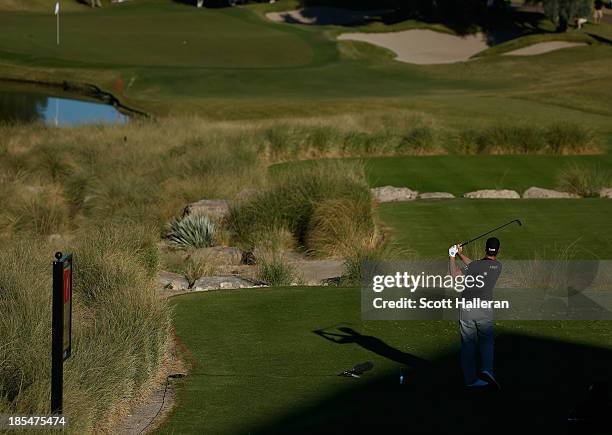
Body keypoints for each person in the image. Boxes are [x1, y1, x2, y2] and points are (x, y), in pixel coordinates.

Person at [449, 237, 503, 389]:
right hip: (484, 309)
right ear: (498, 251)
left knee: (468, 344)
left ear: (486, 249)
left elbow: (456, 275)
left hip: (467, 308)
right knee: (486, 341)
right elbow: (477, 266)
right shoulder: (498, 266)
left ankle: (471, 380)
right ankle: (487, 370)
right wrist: (460, 255)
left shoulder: (475, 266)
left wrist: (452, 256)